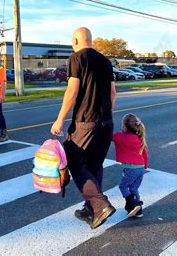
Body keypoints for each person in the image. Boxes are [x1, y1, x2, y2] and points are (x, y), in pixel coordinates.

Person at [51, 27, 117, 230]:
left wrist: (60, 119)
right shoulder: (105, 61)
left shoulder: (77, 57)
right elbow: (113, 93)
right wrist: (105, 115)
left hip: (85, 122)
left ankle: (99, 205)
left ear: (76, 40)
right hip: (106, 122)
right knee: (94, 165)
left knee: (73, 159)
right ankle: (91, 208)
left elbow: (73, 89)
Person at [112, 113, 149, 218]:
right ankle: (138, 211)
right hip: (140, 168)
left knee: (123, 186)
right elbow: (144, 153)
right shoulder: (139, 137)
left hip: (131, 169)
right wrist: (145, 166)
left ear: (124, 125)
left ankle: (134, 204)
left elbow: (108, 136)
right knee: (134, 188)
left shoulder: (120, 137)